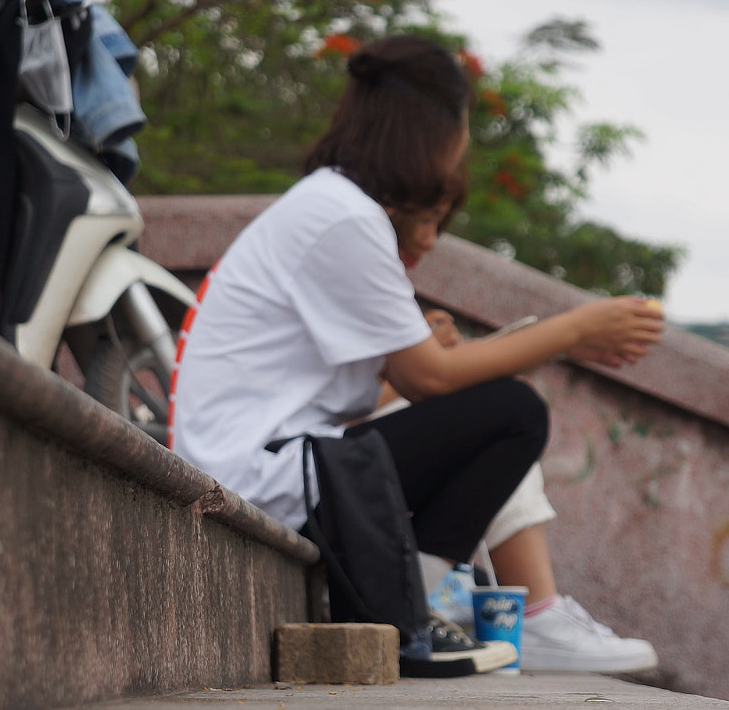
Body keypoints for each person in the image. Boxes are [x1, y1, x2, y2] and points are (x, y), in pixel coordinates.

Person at [169, 35, 664, 675]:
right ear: (437, 130)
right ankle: (419, 608)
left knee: (490, 405)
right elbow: (429, 376)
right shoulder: (343, 216)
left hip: (267, 461)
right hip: (258, 473)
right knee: (513, 411)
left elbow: (395, 380)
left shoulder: (333, 205)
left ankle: (435, 606)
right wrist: (573, 331)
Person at [386, 200, 659, 673]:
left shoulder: (344, 240)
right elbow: (413, 385)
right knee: (511, 413)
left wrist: (416, 359)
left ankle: (528, 610)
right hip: (292, 466)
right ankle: (523, 610)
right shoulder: (346, 237)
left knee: (500, 414)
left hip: (305, 456)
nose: (430, 241)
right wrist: (575, 328)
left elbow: (354, 393)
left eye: (440, 223)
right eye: (426, 220)